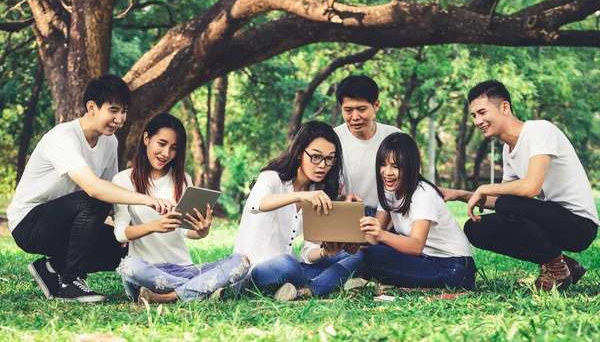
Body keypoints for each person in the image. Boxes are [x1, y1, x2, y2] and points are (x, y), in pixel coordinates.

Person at [8, 75, 174, 303]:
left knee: (126, 251)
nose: (119, 119)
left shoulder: (109, 142)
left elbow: (112, 194)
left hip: (67, 222)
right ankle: (72, 282)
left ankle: (51, 268)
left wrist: (126, 228)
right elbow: (96, 190)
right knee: (95, 198)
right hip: (30, 223)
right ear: (92, 107)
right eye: (113, 110)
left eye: (124, 111)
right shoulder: (62, 137)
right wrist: (145, 199)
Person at [442, 80, 599, 292]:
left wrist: (485, 188)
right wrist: (459, 194)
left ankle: (556, 268)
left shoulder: (539, 131)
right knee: (476, 229)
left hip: (579, 226)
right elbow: (500, 201)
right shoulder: (508, 151)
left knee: (508, 204)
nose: (478, 121)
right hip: (551, 221)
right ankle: (562, 263)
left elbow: (530, 188)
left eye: (482, 112)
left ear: (504, 107)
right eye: (474, 116)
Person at [112, 113, 250, 303]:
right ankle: (201, 288)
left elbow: (186, 231)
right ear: (146, 139)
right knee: (129, 267)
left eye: (173, 148)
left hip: (183, 267)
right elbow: (120, 233)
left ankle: (169, 296)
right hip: (146, 269)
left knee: (240, 261)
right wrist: (154, 226)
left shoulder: (183, 180)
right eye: (161, 143)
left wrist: (201, 232)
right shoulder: (122, 180)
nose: (166, 153)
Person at [233, 121, 363, 302]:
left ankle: (304, 291)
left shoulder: (317, 192)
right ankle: (321, 284)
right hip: (258, 268)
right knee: (288, 264)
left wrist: (326, 253)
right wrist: (300, 196)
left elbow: (309, 251)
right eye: (316, 157)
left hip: (295, 267)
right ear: (299, 153)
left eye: (330, 158)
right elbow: (256, 203)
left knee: (355, 257)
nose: (323, 165)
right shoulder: (271, 178)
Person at [359, 133, 476, 289]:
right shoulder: (389, 190)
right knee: (367, 251)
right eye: (383, 164)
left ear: (409, 166)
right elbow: (372, 240)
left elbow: (415, 246)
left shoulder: (422, 193)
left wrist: (380, 234)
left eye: (395, 166)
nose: (387, 172)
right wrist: (346, 243)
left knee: (372, 256)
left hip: (455, 269)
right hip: (426, 260)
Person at [334, 75, 401, 214]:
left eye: (361, 109)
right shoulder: (333, 139)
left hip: (390, 214)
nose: (355, 117)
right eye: (348, 110)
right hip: (348, 212)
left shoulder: (394, 137)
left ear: (376, 105)